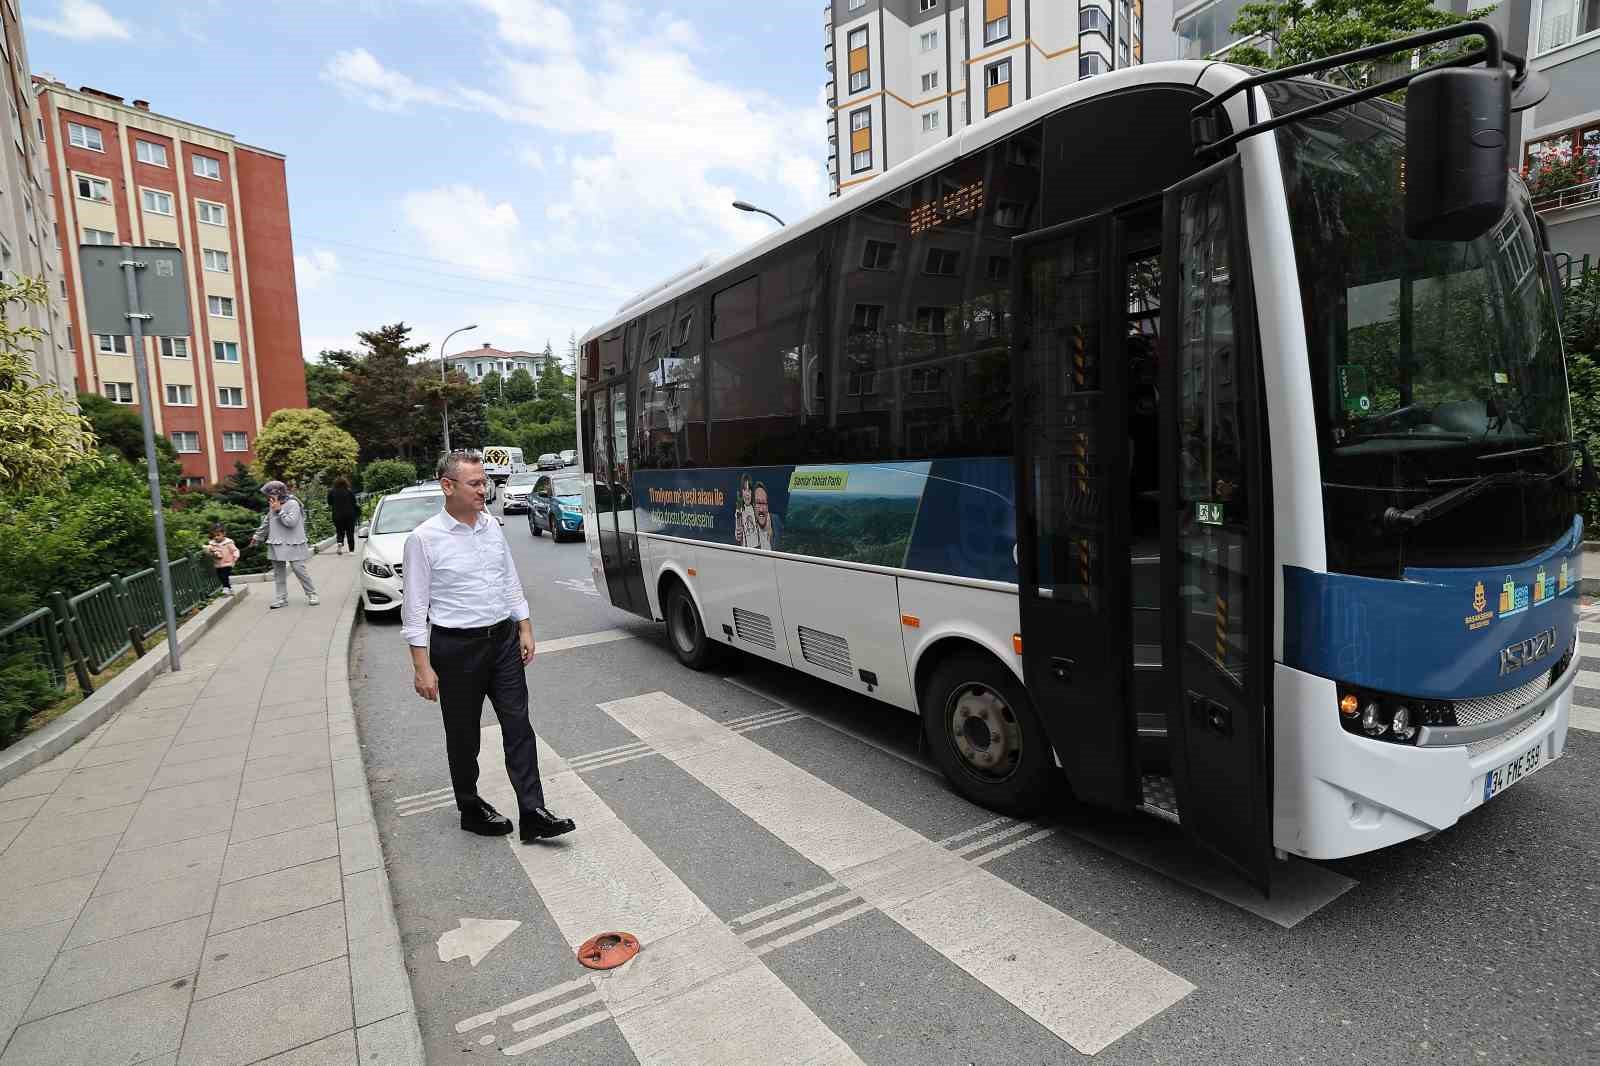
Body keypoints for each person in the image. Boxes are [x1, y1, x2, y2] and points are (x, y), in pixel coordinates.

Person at [401, 450, 575, 844]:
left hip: (502, 641)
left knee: (518, 726)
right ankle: (470, 806)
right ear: (448, 487)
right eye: (476, 483)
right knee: (464, 735)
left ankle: (533, 812)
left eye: (485, 482)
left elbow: (508, 580)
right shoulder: (424, 539)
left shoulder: (491, 527)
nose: (485, 489)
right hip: (456, 648)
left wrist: (524, 627)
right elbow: (414, 609)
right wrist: (421, 666)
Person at [249, 480, 319, 609]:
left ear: (278, 492)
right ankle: (281, 598)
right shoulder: (273, 504)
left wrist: (279, 510)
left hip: (293, 541)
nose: (267, 497)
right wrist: (257, 536)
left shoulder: (293, 503)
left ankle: (312, 594)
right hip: (276, 541)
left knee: (299, 569)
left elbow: (291, 523)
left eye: (269, 494)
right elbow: (267, 522)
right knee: (278, 573)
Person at [203, 524, 239, 596]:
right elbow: (209, 551)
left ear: (223, 534)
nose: (216, 537)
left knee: (224, 575)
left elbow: (235, 550)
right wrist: (210, 551)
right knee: (220, 576)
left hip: (227, 562)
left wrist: (235, 556)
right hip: (218, 564)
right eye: (214, 536)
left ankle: (225, 588)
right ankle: (229, 588)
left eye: (218, 535)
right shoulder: (212, 544)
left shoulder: (228, 543)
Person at [328, 476, 359, 555]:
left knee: (339, 531)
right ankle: (351, 550)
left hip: (337, 515)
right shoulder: (349, 491)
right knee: (350, 532)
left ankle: (339, 543)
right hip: (349, 515)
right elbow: (354, 502)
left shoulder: (332, 492)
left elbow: (329, 503)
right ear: (346, 483)